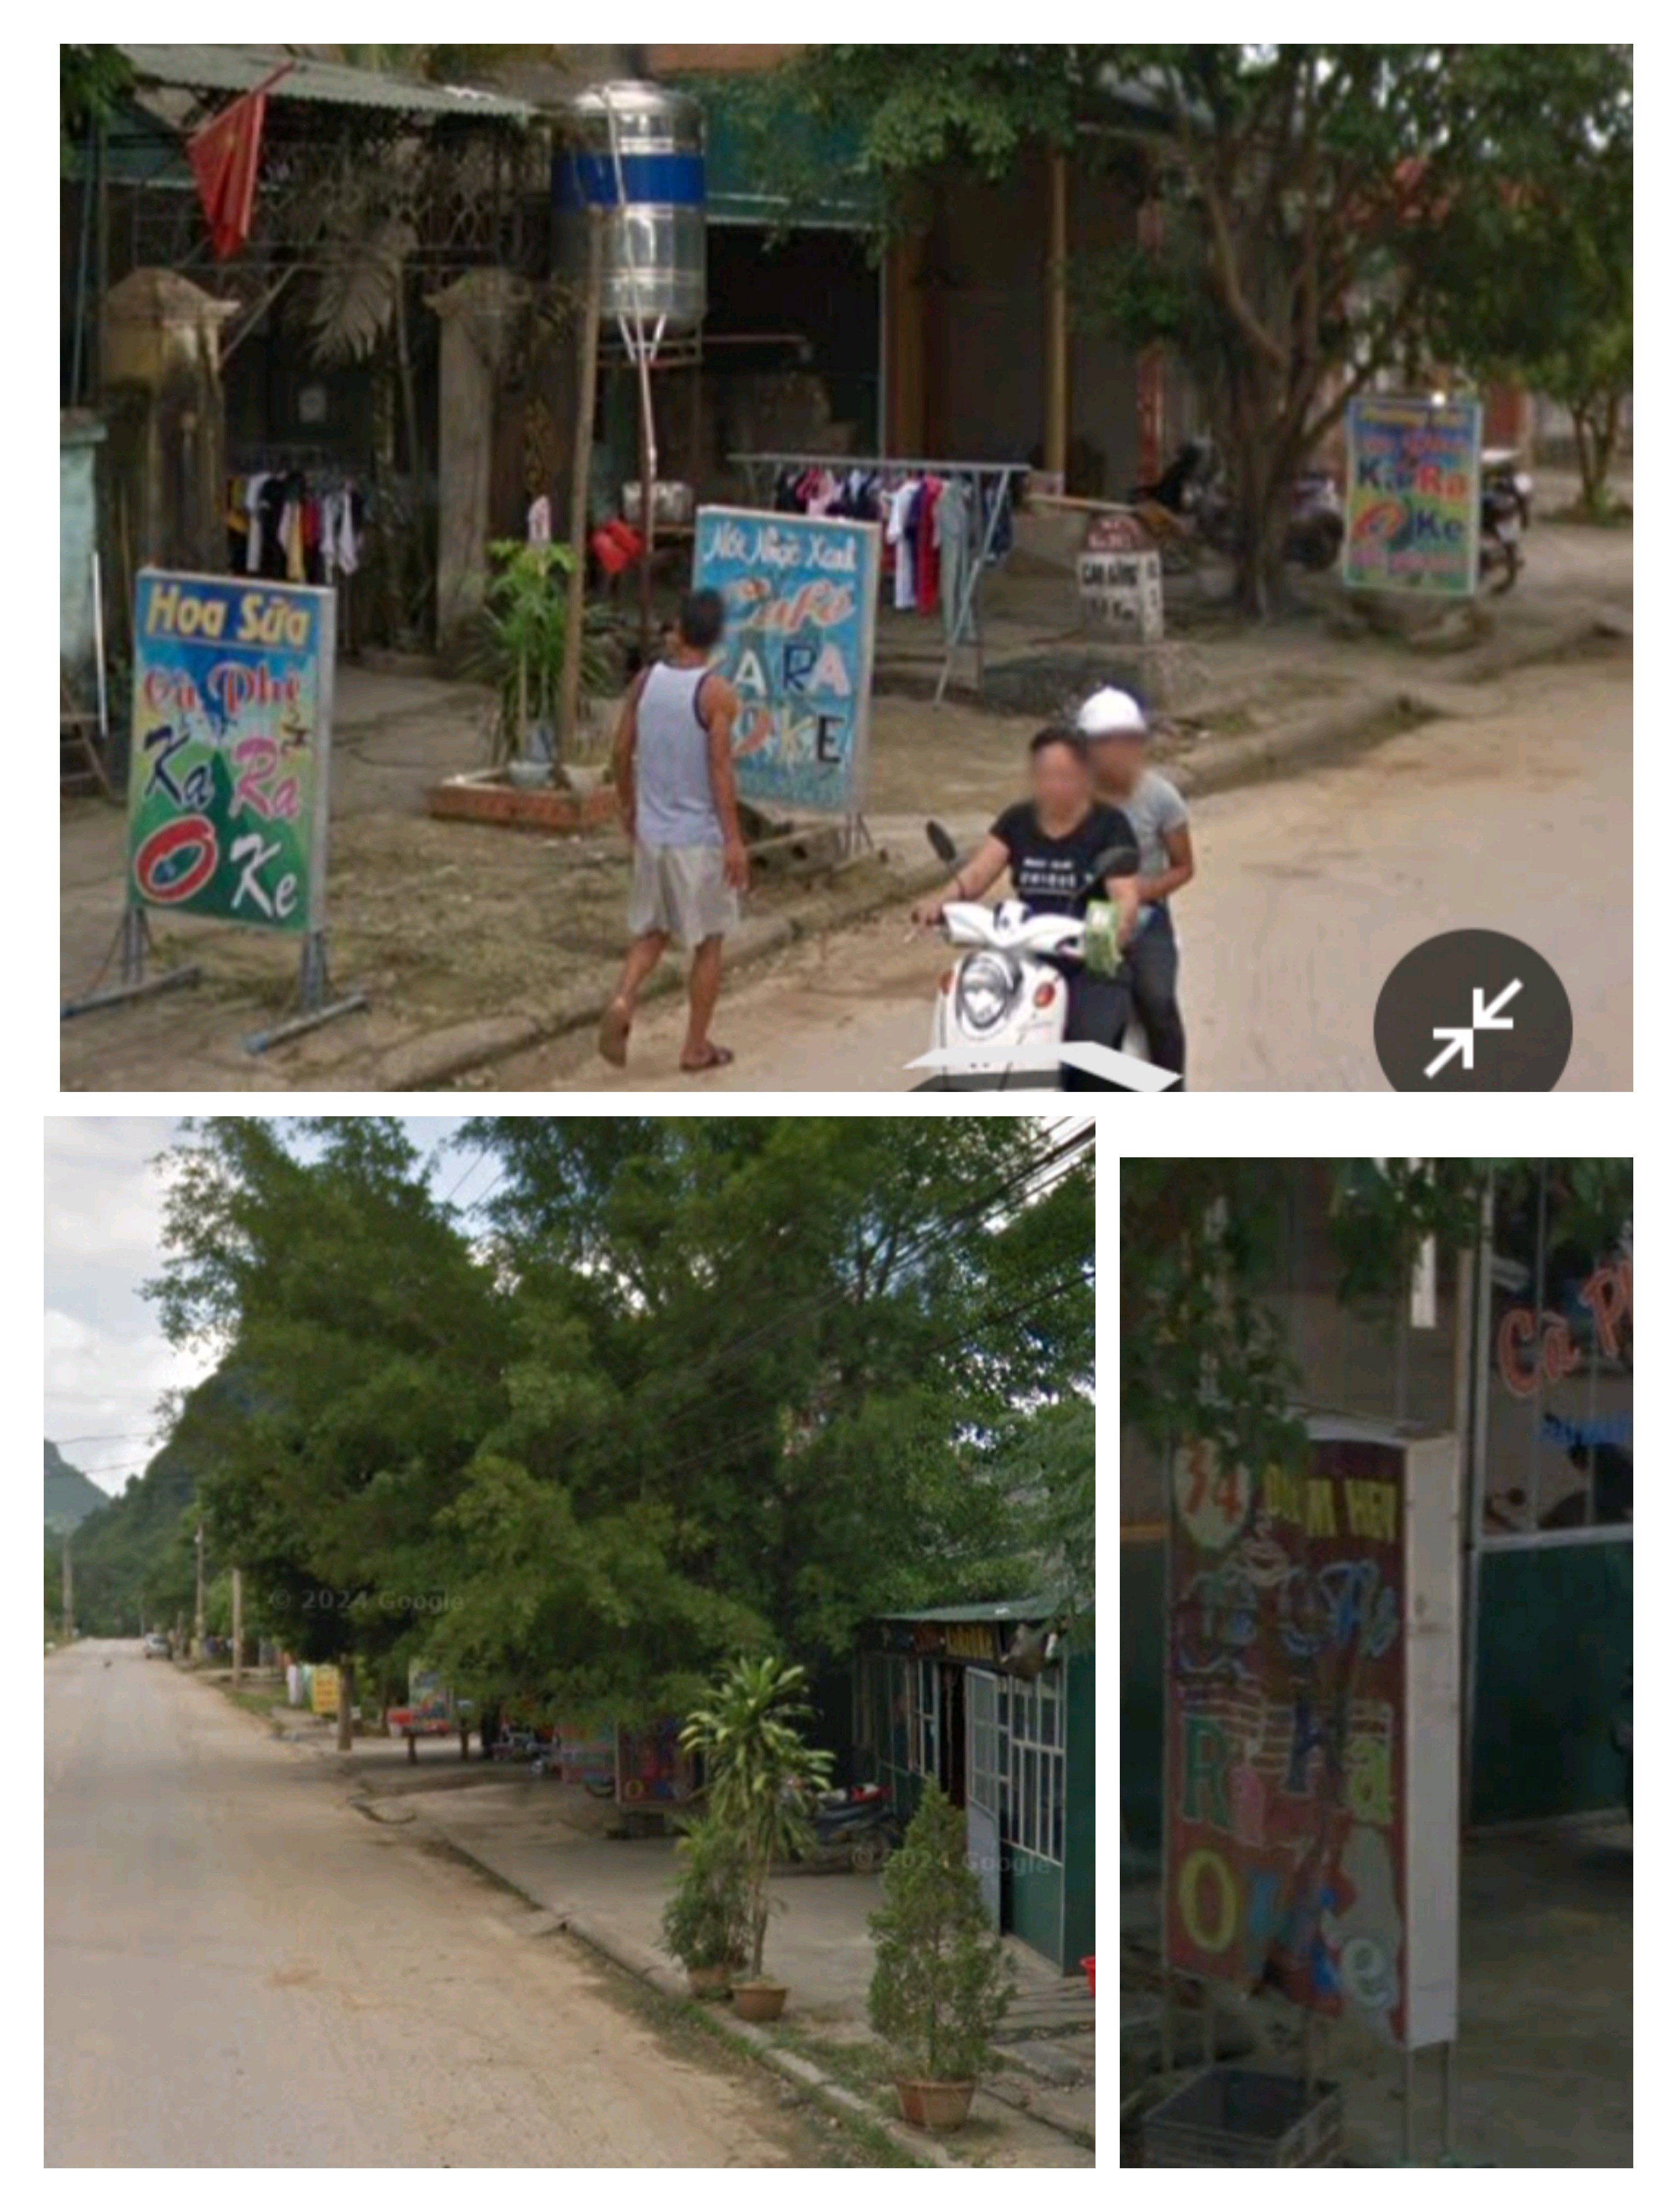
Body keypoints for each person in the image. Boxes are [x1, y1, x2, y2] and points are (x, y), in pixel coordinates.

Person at [913, 725, 1140, 1088]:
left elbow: (1124, 897)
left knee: (1087, 1055)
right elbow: (978, 874)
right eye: (1045, 775)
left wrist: (1114, 929)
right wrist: (940, 902)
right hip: (1024, 958)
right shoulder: (1017, 821)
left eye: (1064, 775)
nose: (1053, 785)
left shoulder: (1110, 826)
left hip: (1089, 960)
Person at [599, 589, 749, 1074]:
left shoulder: (645, 683)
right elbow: (721, 771)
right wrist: (734, 840)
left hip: (653, 833)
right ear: (715, 639)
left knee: (653, 931)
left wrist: (629, 806)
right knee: (709, 942)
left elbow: (620, 752)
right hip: (698, 838)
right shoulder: (716, 695)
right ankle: (695, 1047)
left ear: (679, 631)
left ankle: (623, 997)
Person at [1077, 686, 1193, 1087]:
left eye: (1124, 742)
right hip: (1084, 917)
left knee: (1157, 1000)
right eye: (1103, 742)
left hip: (1144, 918)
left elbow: (1184, 868)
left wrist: (1140, 893)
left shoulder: (1161, 798)